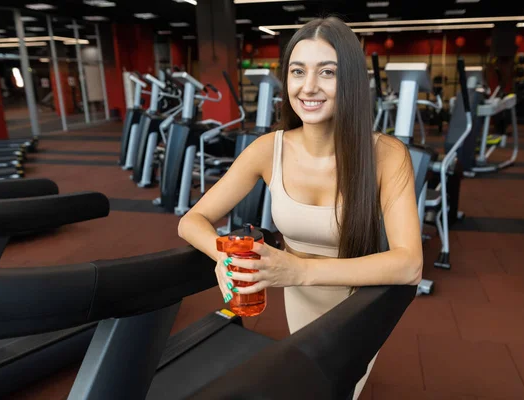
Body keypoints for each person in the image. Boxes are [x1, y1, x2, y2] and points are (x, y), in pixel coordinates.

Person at [178, 16, 423, 400]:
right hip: (299, 299)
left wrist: (298, 270)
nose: (309, 87)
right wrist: (224, 259)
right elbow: (191, 221)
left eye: (327, 72)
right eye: (298, 71)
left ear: (352, 81)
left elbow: (409, 264)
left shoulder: (387, 155)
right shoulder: (268, 149)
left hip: (358, 305)